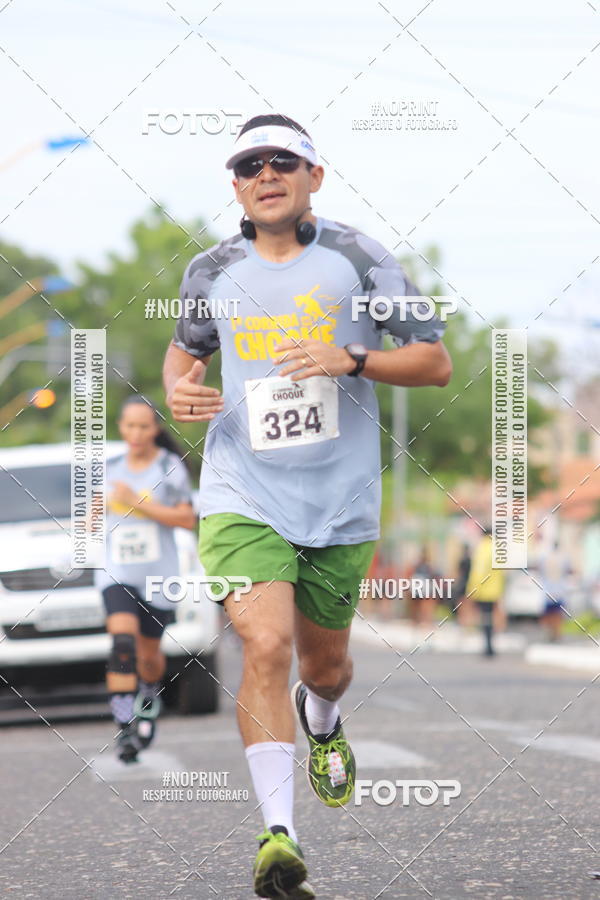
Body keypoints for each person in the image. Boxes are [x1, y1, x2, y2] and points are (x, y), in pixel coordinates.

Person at [163, 113, 452, 898]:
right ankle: (278, 839)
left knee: (325, 666)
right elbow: (185, 349)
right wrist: (178, 390)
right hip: (241, 490)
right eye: (249, 163)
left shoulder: (361, 258)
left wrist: (350, 357)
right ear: (236, 184)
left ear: (313, 176)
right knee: (263, 644)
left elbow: (435, 363)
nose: (265, 173)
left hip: (339, 499)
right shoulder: (209, 268)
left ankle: (321, 721)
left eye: (282, 161)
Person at [94, 395, 196, 763]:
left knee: (149, 656)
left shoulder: (170, 467)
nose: (136, 433)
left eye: (144, 426)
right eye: (129, 425)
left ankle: (149, 690)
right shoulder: (108, 467)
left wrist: (137, 503)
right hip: (117, 572)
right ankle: (124, 729)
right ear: (121, 427)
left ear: (155, 429)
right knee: (122, 643)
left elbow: (187, 519)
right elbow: (90, 523)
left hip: (159, 576)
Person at [465, 527, 505, 656]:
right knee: (491, 618)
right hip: (495, 590)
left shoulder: (482, 549)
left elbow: (479, 572)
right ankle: (490, 644)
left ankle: (488, 646)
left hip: (483, 591)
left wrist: (472, 589)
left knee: (485, 618)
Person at [539, 540, 570, 642]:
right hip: (559, 591)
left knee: (550, 615)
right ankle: (556, 634)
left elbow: (541, 571)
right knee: (557, 615)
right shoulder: (563, 558)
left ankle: (551, 634)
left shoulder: (545, 557)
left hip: (549, 590)